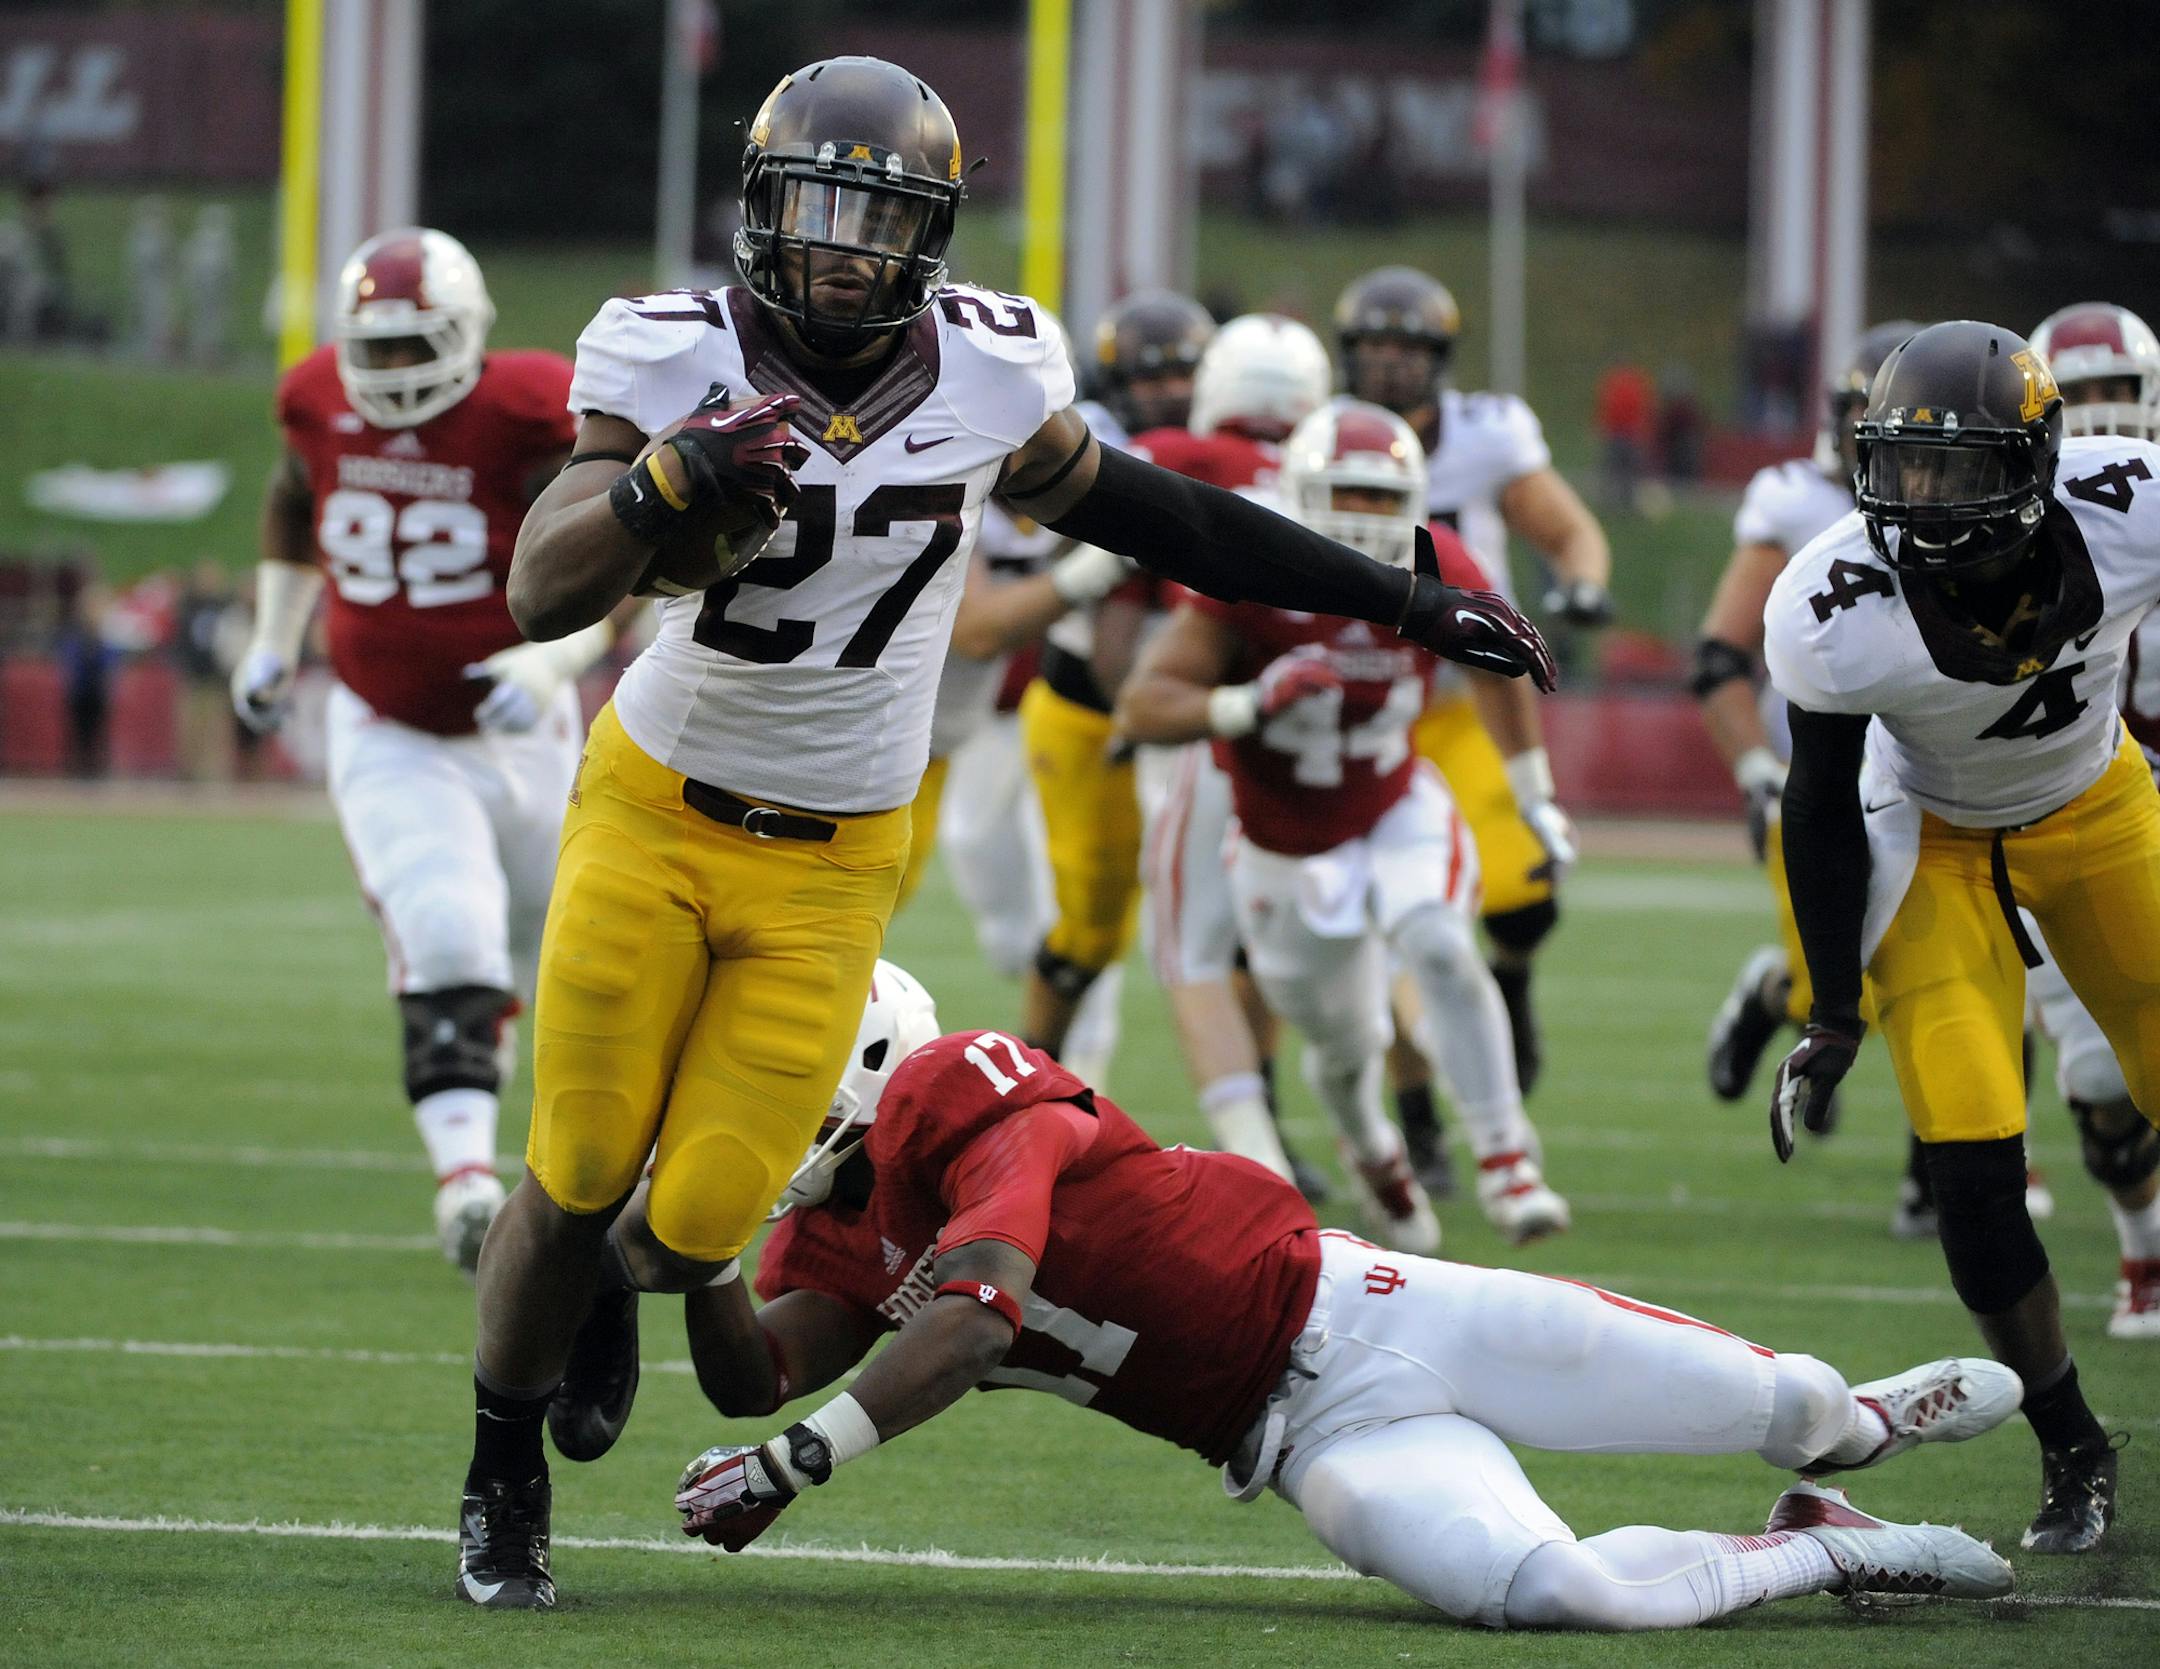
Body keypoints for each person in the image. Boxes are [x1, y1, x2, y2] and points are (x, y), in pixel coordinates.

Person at [467, 55, 1554, 1611]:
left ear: (933, 236)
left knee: (699, 1215)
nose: (843, 248)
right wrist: (657, 486)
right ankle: (502, 1466)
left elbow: (1169, 516)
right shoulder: (666, 349)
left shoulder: (988, 369)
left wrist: (1400, 587)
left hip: (842, 847)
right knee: (575, 1164)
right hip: (656, 800)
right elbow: (541, 590)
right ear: (763, 213)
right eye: (819, 211)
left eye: (878, 217)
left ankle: (605, 1290)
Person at [663, 963, 2022, 1631]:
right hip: (1301, 1439)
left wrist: (793, 1463)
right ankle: (1828, 1542)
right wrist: (704, 1251)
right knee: (1564, 1597)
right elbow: (755, 1376)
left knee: (1785, 1395)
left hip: (1366, 1306)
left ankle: (1856, 1435)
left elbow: (974, 1313)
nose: (744, 1113)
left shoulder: (960, 1083)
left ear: (864, 1057)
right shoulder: (828, 1232)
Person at [1764, 318, 2160, 1556]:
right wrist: (1835, 1007)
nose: (1927, 498)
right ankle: (2072, 1442)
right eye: (1907, 466)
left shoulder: (2129, 500)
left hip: (2098, 807)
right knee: (1974, 1170)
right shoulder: (1834, 600)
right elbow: (1820, 804)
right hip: (1929, 838)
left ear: (2041, 460)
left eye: (1965, 467)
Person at [230, 227, 614, 1275]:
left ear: (466, 333)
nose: (394, 370)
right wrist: (274, 637)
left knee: (566, 951)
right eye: (377, 348)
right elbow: (294, 497)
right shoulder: (315, 396)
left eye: (416, 346)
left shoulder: (531, 407)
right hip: (387, 723)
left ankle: (585, 1168)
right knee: (448, 929)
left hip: (522, 724)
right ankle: (466, 1184)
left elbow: (619, 546)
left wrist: (549, 667)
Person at [1120, 400, 1568, 1249]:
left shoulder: (1438, 554)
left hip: (1395, 799)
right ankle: (1371, 1145)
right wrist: (1248, 700)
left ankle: (1510, 1161)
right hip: (1282, 845)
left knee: (1437, 938)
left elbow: (1498, 663)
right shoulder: (1252, 562)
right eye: (1344, 493)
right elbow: (1145, 702)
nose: (1362, 516)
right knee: (1345, 1044)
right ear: (1300, 490)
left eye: (1378, 496)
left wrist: (1533, 790)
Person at [1335, 266, 1607, 1180]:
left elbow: (1568, 528)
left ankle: (1515, 978)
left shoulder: (1483, 440)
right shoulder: (1321, 438)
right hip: (1366, 696)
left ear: (1439, 359)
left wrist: (1582, 582)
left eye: (1409, 349)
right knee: (1390, 926)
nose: (1391, 364)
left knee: (1525, 884)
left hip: (1469, 695)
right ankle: (1418, 1117)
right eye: (1375, 345)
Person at [1124, 311, 1333, 1194]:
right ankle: (1319, 1125)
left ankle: (1260, 1158)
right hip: (1330, 726)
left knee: (1188, 944)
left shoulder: (1184, 452)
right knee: (1263, 936)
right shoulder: (1338, 459)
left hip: (1215, 714)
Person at [1012, 288, 1218, 1079]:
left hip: (1191, 713)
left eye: (1183, 373)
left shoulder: (1230, 448)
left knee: (1226, 925)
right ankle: (1037, 1080)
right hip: (1089, 713)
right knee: (1087, 926)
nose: (1169, 390)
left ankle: (1258, 1103)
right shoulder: (1085, 443)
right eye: (1149, 374)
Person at [2018, 300, 2160, 1338]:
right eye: (2086, 400)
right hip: (2066, 813)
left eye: (2123, 395)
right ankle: (2144, 1249)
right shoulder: (2007, 525)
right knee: (2104, 1075)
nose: (2106, 422)